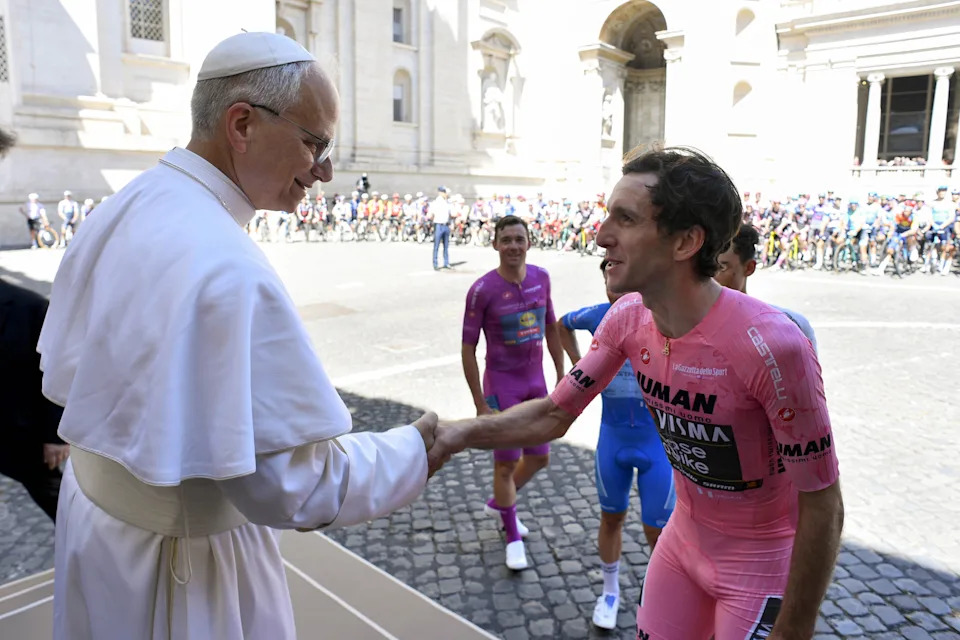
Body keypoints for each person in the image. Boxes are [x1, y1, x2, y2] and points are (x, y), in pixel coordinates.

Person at [38, 32, 451, 640]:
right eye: (315, 143)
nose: (326, 171)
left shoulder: (126, 203)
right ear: (242, 124)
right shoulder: (229, 266)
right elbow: (298, 486)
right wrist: (419, 448)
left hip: (97, 527)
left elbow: (71, 376)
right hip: (182, 567)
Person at [437, 147, 844, 640]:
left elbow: (823, 501)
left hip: (759, 566)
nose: (601, 234)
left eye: (624, 219)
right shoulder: (628, 315)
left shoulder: (775, 346)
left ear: (686, 241)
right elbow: (552, 415)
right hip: (680, 548)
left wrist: (795, 626)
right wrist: (452, 436)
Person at [558, 259, 675, 630]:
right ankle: (609, 592)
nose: (618, 289)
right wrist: (579, 366)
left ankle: (658, 596)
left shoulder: (660, 318)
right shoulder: (598, 316)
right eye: (610, 280)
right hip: (613, 440)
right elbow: (563, 324)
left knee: (658, 531)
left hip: (656, 446)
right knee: (612, 518)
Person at [461, 214, 565, 570]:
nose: (513, 246)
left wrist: (562, 374)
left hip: (535, 382)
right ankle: (512, 535)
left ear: (529, 243)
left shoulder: (541, 278)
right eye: (506, 240)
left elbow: (551, 326)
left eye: (519, 239)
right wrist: (479, 402)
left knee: (539, 457)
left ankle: (500, 504)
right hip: (501, 385)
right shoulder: (482, 290)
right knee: (505, 464)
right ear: (495, 244)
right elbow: (467, 348)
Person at [0, 127, 71, 522]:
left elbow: (53, 369)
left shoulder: (28, 307)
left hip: (20, 436)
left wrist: (53, 434)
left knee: (60, 503)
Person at [716, 224, 818, 352]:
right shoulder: (688, 325)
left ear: (749, 268)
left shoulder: (791, 327)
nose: (710, 277)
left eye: (721, 268)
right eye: (705, 267)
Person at [432, 186, 452, 270]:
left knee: (446, 246)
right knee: (436, 246)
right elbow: (432, 213)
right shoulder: (437, 201)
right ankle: (435, 263)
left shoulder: (447, 202)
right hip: (439, 224)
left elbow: (449, 214)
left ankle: (446, 262)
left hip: (446, 225)